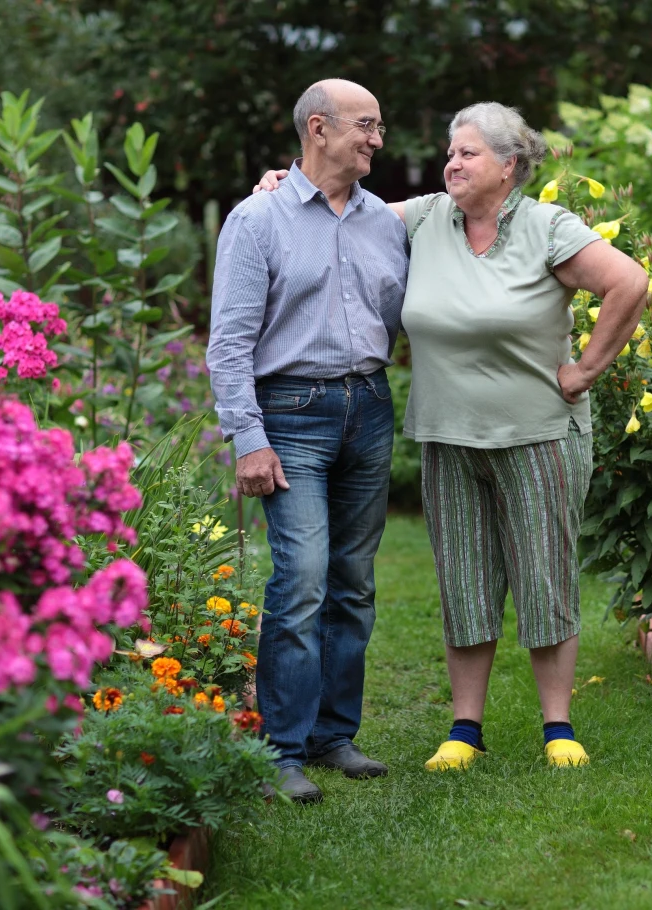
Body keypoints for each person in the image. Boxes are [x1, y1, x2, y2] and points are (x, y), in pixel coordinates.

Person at [255, 101, 647, 772]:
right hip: (448, 435)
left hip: (539, 434)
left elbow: (629, 282)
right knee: (464, 581)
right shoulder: (428, 217)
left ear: (510, 166)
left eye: (467, 153)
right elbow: (337, 205)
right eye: (451, 151)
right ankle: (465, 730)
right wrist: (280, 184)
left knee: (543, 576)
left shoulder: (548, 226)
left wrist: (584, 371)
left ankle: (558, 727)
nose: (452, 162)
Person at [207, 79, 409, 805]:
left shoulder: (384, 221)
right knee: (300, 582)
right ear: (317, 128)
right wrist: (247, 438)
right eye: (366, 126)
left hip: (369, 407)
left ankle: (332, 736)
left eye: (379, 127)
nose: (377, 140)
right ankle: (281, 749)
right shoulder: (257, 221)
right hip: (290, 413)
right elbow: (228, 343)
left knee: (353, 583)